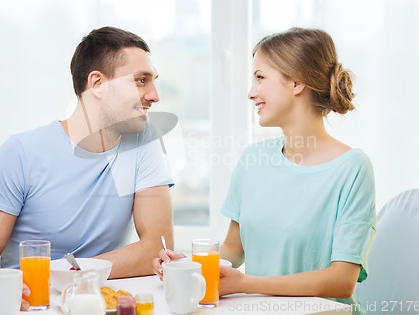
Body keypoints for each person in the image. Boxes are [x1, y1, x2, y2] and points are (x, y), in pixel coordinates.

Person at [154, 27, 375, 313]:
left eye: (260, 78)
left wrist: (245, 283)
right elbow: (234, 250)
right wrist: (185, 263)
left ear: (296, 82)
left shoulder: (352, 169)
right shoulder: (253, 159)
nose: (251, 92)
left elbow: (341, 281)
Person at [0, 26, 174, 310]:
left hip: (98, 304)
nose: (155, 95)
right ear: (97, 83)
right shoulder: (22, 152)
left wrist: (72, 274)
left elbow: (157, 249)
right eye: (140, 81)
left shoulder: (143, 142)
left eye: (153, 81)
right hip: (32, 305)